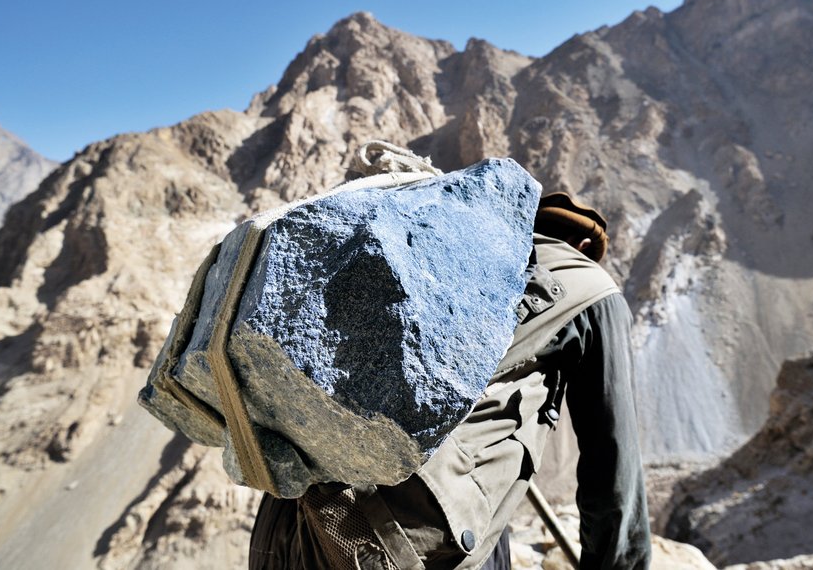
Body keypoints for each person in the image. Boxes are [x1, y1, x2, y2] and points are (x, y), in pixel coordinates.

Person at [250, 192, 651, 570]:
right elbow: (613, 463)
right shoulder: (590, 287)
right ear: (581, 247)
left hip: (284, 514)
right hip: (385, 535)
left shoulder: (446, 252)